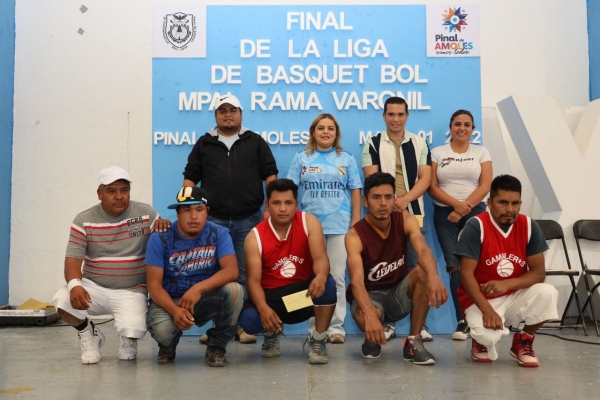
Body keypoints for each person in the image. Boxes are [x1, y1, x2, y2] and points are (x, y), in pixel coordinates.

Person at [182, 94, 278, 344]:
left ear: (241, 113)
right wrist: (186, 209)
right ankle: (219, 327)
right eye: (222, 110)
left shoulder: (254, 141)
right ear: (215, 115)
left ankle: (242, 326)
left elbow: (270, 175)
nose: (228, 114)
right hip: (213, 222)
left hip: (249, 220)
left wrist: (270, 206)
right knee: (215, 275)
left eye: (232, 110)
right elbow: (190, 178)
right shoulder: (204, 143)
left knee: (247, 276)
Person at [52, 166, 166, 364]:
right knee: (62, 301)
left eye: (124, 190)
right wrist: (75, 285)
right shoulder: (83, 220)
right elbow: (72, 259)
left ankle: (127, 339)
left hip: (132, 290)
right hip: (93, 287)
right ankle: (89, 334)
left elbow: (164, 237)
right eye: (111, 191)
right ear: (99, 194)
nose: (119, 196)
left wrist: (165, 227)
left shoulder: (146, 213)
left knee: (133, 333)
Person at [455, 175, 558, 367]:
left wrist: (507, 284)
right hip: (482, 298)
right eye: (503, 202)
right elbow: (466, 274)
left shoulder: (528, 225)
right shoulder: (476, 226)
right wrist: (487, 311)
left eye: (515, 203)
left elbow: (538, 273)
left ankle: (523, 340)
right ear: (490, 203)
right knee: (487, 338)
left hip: (514, 294)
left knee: (548, 293)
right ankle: (480, 341)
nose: (510, 209)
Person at [345, 172, 447, 364]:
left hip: (397, 294)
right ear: (366, 202)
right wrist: (370, 317)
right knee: (369, 314)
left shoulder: (406, 220)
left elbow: (423, 250)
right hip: (370, 298)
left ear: (394, 200)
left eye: (388, 197)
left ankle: (413, 342)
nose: (383, 203)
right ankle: (371, 337)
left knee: (423, 272)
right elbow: (356, 282)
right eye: (376, 197)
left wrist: (434, 276)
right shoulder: (354, 235)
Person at [238, 179, 337, 364]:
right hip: (272, 300)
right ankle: (271, 333)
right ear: (267, 205)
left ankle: (318, 340)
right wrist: (263, 308)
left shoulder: (309, 222)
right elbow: (252, 281)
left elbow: (321, 259)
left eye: (288, 203)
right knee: (249, 320)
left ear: (296, 204)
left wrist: (321, 276)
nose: (282, 208)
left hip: (302, 297)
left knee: (328, 285)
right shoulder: (254, 237)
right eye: (276, 203)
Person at [145, 187, 243, 367]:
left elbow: (231, 271)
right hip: (170, 300)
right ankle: (168, 345)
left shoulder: (219, 233)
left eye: (199, 209)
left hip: (204, 297)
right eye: (187, 210)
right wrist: (175, 311)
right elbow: (153, 286)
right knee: (163, 331)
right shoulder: (160, 238)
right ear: (177, 213)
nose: (193, 215)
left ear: (207, 211)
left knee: (235, 290)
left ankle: (217, 346)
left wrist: (198, 289)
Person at [361, 96, 433, 341]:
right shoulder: (371, 143)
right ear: (384, 116)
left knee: (416, 267)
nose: (395, 119)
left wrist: (403, 201)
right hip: (382, 216)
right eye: (390, 114)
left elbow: (425, 178)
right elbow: (372, 181)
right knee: (386, 271)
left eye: (400, 114)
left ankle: (419, 325)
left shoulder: (420, 143)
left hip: (414, 212)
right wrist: (390, 204)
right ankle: (388, 322)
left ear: (407, 115)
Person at [287, 113, 362, 344]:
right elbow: (290, 190)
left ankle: (336, 328)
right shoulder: (302, 158)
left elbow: (356, 190)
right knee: (314, 276)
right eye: (321, 128)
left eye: (330, 128)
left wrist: (355, 222)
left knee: (338, 275)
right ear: (313, 132)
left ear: (336, 133)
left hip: (340, 226)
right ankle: (316, 327)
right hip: (310, 227)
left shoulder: (346, 158)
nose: (326, 132)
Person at [428, 110, 492, 340]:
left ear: (473, 129)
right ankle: (463, 320)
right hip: (445, 214)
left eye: (467, 124)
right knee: (454, 266)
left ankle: (482, 318)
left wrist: (465, 208)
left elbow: (485, 185)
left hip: (476, 213)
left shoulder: (481, 151)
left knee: (475, 266)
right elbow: (432, 187)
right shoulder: (438, 152)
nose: (462, 128)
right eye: (457, 124)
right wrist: (456, 206)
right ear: (451, 127)